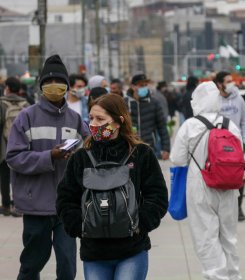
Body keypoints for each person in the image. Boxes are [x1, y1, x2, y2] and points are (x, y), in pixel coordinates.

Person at [57, 93, 168, 280]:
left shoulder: (141, 154)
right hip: (94, 252)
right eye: (91, 118)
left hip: (132, 249)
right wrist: (79, 226)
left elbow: (157, 195)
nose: (94, 124)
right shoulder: (80, 157)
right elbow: (65, 198)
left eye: (100, 119)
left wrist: (141, 223)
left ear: (118, 121)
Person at [6, 54, 90, 280]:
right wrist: (49, 156)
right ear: (41, 86)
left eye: (59, 82)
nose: (54, 87)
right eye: (49, 82)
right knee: (32, 264)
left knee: (67, 265)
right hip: (35, 205)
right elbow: (13, 157)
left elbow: (90, 151)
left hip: (66, 205)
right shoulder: (26, 117)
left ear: (67, 87)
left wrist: (77, 156)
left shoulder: (75, 119)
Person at [170, 81, 242, 280]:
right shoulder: (231, 125)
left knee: (206, 237)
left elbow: (177, 159)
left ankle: (216, 276)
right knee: (229, 237)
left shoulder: (190, 126)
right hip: (229, 187)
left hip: (200, 186)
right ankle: (233, 276)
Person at [214, 71, 245, 222]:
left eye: (231, 80)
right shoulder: (214, 100)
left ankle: (238, 206)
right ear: (219, 84)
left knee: (238, 177)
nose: (231, 83)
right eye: (227, 81)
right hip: (218, 145)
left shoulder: (238, 99)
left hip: (237, 144)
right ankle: (221, 209)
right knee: (220, 177)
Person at [0, 77, 29, 217]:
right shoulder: (26, 104)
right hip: (22, 147)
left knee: (4, 176)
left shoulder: (2, 104)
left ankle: (6, 205)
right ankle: (19, 206)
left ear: (8, 88)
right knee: (20, 176)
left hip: (5, 146)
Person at [125, 73, 170, 160]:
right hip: (129, 148)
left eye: (145, 85)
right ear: (133, 86)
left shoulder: (154, 103)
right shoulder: (124, 103)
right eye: (141, 85)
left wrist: (166, 148)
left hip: (149, 147)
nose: (144, 88)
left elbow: (162, 127)